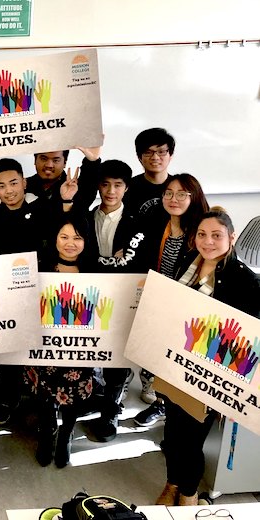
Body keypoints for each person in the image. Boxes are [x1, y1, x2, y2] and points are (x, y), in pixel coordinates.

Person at [155, 208, 260, 506]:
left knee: (192, 440)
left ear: (232, 237)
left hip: (210, 376)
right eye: (202, 234)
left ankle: (188, 494)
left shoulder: (245, 282)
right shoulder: (188, 262)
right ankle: (171, 483)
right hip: (176, 365)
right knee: (173, 432)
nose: (208, 241)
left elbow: (247, 342)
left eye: (216, 235)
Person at [102, 174, 209, 426]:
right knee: (150, 354)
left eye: (182, 194)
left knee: (172, 361)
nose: (173, 199)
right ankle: (142, 400)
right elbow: (139, 255)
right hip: (153, 299)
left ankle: (163, 407)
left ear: (194, 198)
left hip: (184, 307)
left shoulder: (201, 232)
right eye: (169, 193)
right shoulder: (156, 224)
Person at [0, 157, 79, 426]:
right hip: (5, 290)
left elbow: (64, 231)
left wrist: (66, 201)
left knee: (41, 348)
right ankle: (9, 398)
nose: (9, 190)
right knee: (8, 347)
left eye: (14, 183)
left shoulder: (42, 206)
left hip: (41, 287)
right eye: (1, 186)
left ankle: (44, 402)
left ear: (24, 182)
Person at [29, 213, 97, 469]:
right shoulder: (40, 267)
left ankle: (66, 434)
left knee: (74, 396)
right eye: (64, 236)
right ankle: (47, 434)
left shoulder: (96, 270)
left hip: (81, 349)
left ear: (86, 240)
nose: (70, 243)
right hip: (45, 347)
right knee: (45, 395)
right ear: (55, 239)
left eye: (77, 237)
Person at [83, 159, 136, 443]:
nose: (111, 191)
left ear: (126, 188)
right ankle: (96, 395)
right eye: (105, 184)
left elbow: (133, 264)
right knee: (91, 350)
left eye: (117, 185)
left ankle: (111, 411)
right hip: (90, 295)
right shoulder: (85, 217)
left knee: (118, 356)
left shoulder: (136, 223)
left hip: (121, 296)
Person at [124, 127, 176, 217]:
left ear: (170, 155)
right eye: (148, 152)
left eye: (161, 152)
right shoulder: (127, 189)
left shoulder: (182, 187)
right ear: (139, 157)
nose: (155, 157)